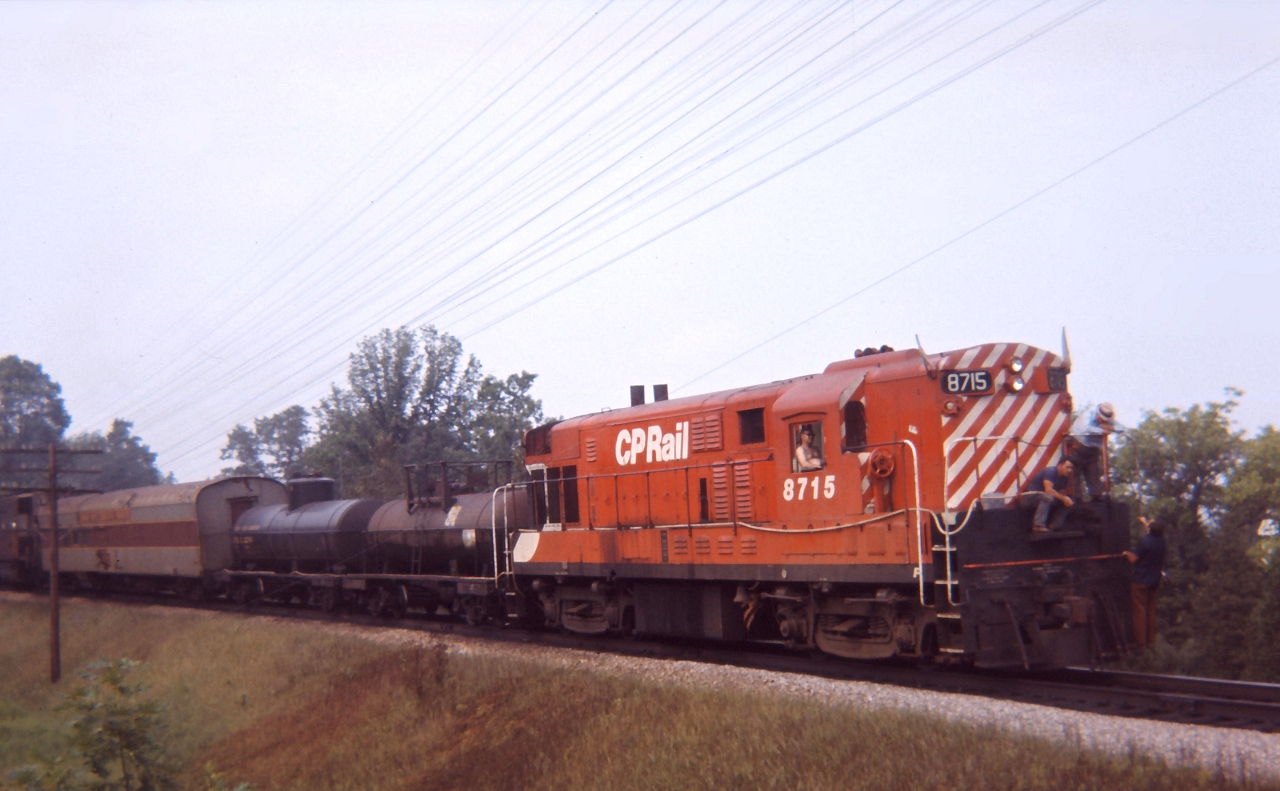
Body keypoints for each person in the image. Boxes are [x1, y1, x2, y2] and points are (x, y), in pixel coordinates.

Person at [1123, 516, 1167, 651]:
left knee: (1140, 612)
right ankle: (1150, 642)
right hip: (1155, 581)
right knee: (1151, 611)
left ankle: (1140, 643)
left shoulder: (1144, 542)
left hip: (1141, 581)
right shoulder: (1163, 541)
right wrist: (1145, 523)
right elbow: (1152, 531)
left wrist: (1126, 553)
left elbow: (1133, 559)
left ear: (1150, 529)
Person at [1069, 402, 1125, 500]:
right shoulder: (1088, 415)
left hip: (1093, 450)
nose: (1103, 421)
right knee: (1075, 473)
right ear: (1098, 414)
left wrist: (1110, 427)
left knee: (1093, 474)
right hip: (1078, 446)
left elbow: (1122, 428)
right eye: (1102, 419)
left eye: (1105, 420)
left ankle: (1097, 498)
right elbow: (1086, 428)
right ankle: (1077, 498)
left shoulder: (1109, 421)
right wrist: (1102, 430)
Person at [1019, 458, 1075, 534]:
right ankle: (1038, 525)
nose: (1069, 470)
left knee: (1070, 501)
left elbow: (1061, 494)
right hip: (1029, 497)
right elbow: (1048, 490)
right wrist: (1063, 498)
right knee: (1048, 497)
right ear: (1059, 466)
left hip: (1044, 497)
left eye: (1071, 468)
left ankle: (1054, 526)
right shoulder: (1050, 471)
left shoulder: (1065, 478)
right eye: (1067, 467)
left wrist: (1066, 500)